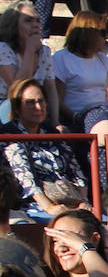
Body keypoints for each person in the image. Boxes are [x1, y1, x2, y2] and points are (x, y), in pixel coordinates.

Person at [1, 78, 88, 220]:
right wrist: (50, 207)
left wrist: (83, 201)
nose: (38, 107)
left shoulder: (51, 132)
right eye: (30, 102)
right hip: (33, 206)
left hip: (71, 201)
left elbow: (76, 170)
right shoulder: (10, 136)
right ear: (17, 107)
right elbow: (25, 178)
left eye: (41, 101)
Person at [50, 10, 108, 128]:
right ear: (88, 34)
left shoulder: (102, 58)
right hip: (80, 117)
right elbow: (57, 100)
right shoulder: (62, 58)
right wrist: (76, 117)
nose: (107, 37)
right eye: (103, 33)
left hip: (106, 114)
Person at [0, 0, 59, 117]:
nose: (35, 25)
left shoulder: (44, 51)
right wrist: (30, 49)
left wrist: (55, 122)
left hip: (35, 109)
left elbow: (51, 90)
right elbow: (17, 91)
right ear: (13, 25)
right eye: (28, 21)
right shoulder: (3, 49)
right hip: (7, 108)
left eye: (38, 21)